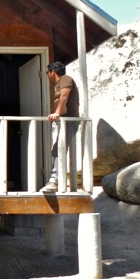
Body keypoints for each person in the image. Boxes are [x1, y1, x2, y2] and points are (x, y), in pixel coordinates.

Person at [41, 61, 79, 193]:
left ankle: (54, 181)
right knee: (56, 150)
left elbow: (64, 95)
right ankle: (55, 180)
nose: (47, 75)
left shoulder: (65, 79)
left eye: (47, 72)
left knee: (58, 150)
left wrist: (56, 113)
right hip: (63, 121)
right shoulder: (59, 83)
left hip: (69, 120)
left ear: (52, 71)